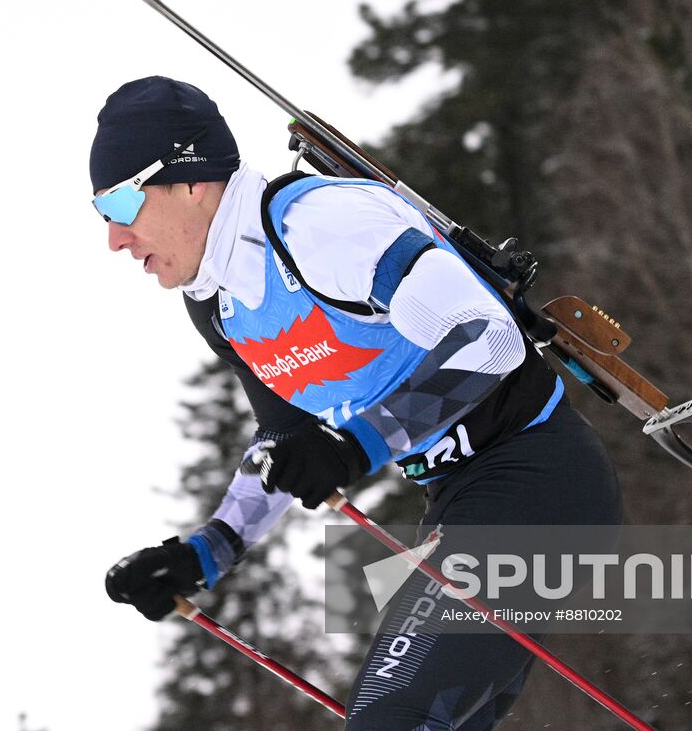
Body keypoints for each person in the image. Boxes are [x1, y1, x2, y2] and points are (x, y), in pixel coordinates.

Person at [95, 76, 622, 730]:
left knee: (388, 719)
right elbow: (286, 443)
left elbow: (489, 338)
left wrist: (360, 443)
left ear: (192, 177)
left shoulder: (319, 225)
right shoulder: (220, 304)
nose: (114, 238)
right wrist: (207, 550)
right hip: (459, 506)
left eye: (119, 202)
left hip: (534, 479)